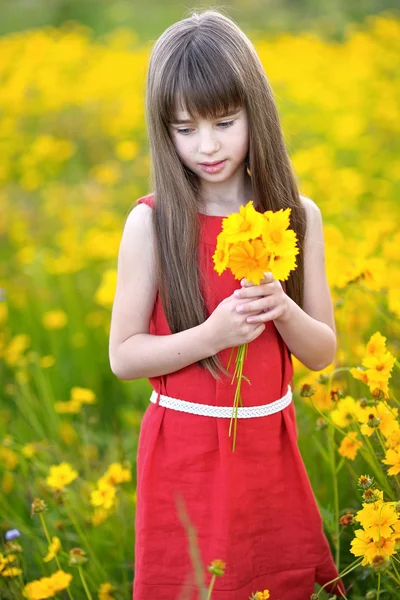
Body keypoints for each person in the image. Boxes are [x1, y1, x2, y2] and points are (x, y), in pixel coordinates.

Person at [109, 8, 347, 600]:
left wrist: (283, 311)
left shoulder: (298, 216)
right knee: (192, 583)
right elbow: (124, 356)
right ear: (162, 131)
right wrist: (211, 337)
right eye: (184, 129)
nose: (207, 146)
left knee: (277, 577)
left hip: (270, 451)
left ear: (255, 112)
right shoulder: (152, 223)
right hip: (184, 455)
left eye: (224, 121)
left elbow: (323, 353)